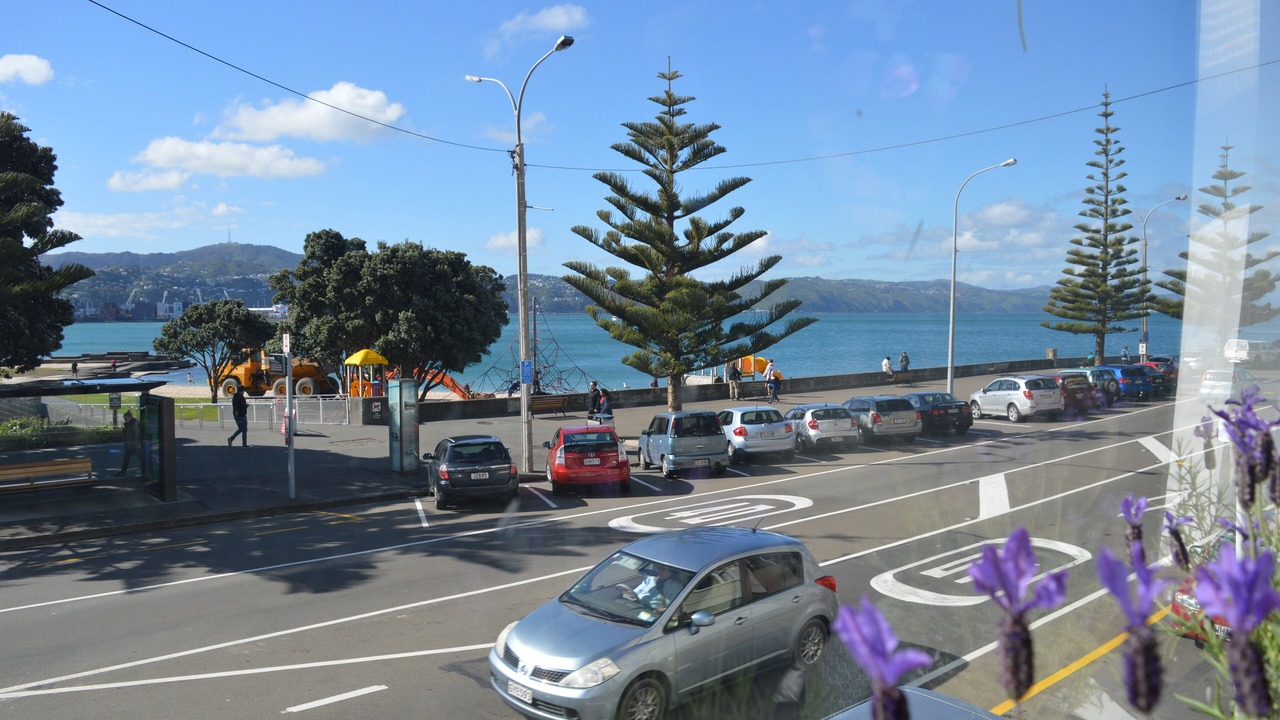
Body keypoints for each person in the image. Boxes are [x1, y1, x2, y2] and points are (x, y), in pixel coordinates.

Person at [617, 565, 685, 611]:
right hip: (636, 605)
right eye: (659, 568)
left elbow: (672, 609)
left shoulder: (675, 586)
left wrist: (657, 612)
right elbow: (637, 592)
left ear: (671, 572)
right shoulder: (651, 578)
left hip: (651, 611)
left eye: (662, 569)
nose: (659, 570)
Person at [115, 410, 141, 477]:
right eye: (124, 418)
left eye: (125, 418)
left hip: (133, 446)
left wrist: (134, 444)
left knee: (127, 459)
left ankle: (122, 472)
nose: (125, 419)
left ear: (129, 417)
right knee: (128, 459)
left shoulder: (133, 425)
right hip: (131, 446)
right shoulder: (129, 424)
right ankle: (122, 472)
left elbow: (136, 435)